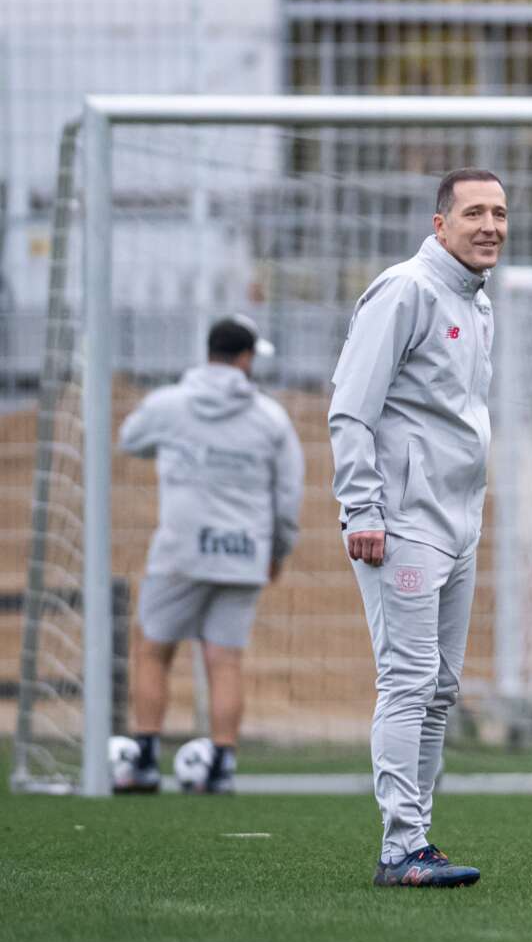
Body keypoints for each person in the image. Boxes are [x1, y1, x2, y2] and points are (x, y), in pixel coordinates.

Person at [330, 167, 504, 888]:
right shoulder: (405, 289)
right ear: (440, 224)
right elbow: (350, 407)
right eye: (473, 213)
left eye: (498, 212)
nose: (489, 225)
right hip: (401, 523)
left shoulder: (477, 300)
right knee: (407, 680)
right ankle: (401, 845)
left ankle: (419, 838)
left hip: (457, 523)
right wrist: (362, 508)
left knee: (440, 686)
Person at [117, 315, 303, 794]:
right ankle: (221, 763)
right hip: (243, 552)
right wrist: (277, 551)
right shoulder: (270, 417)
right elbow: (288, 497)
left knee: (153, 650)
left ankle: (143, 756)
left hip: (180, 550)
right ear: (244, 358)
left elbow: (129, 439)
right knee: (224, 660)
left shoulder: (169, 405)